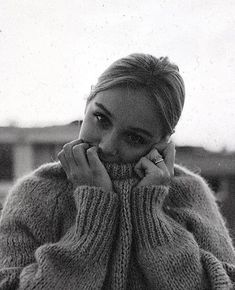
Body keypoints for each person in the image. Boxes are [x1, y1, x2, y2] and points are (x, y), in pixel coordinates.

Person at [0, 53, 235, 290]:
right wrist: (92, 220)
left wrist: (151, 218)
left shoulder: (190, 194)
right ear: (87, 104)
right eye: (101, 119)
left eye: (134, 137)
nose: (106, 146)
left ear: (163, 142)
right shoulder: (35, 194)